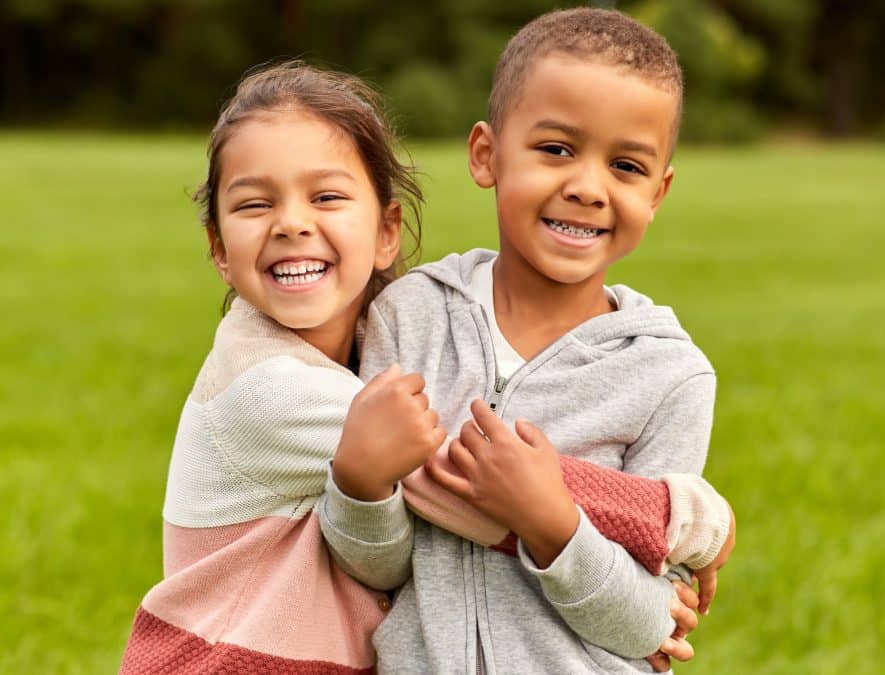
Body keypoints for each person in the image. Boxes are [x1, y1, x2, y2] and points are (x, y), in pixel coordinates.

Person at [119, 60, 731, 674]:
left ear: (387, 231)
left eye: (327, 196)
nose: (293, 223)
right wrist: (689, 521)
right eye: (255, 204)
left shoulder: (390, 331)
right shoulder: (269, 389)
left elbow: (492, 492)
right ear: (220, 250)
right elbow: (476, 475)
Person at [323, 7, 734, 674]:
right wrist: (361, 485)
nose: (586, 187)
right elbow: (376, 567)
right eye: (556, 149)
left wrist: (552, 523)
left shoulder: (669, 374)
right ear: (486, 154)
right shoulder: (408, 316)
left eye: (626, 166)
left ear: (658, 193)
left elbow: (652, 625)